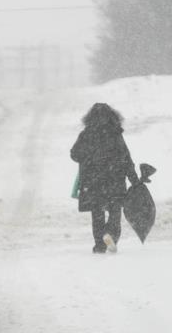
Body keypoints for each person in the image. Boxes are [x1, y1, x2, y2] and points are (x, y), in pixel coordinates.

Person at [70, 103, 140, 254]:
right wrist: (133, 178)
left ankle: (99, 245)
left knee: (97, 214)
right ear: (112, 116)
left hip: (93, 181)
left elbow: (74, 154)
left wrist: (88, 156)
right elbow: (126, 157)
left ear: (90, 117)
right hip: (115, 180)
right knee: (115, 212)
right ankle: (111, 235)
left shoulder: (86, 134)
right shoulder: (115, 133)